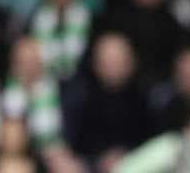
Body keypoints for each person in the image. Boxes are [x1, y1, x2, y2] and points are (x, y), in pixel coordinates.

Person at [65, 32, 153, 166]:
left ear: (132, 63)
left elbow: (153, 145)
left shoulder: (146, 98)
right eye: (108, 61)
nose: (113, 67)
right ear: (96, 65)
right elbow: (73, 146)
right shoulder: (81, 98)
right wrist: (98, 160)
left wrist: (127, 155)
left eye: (119, 61)